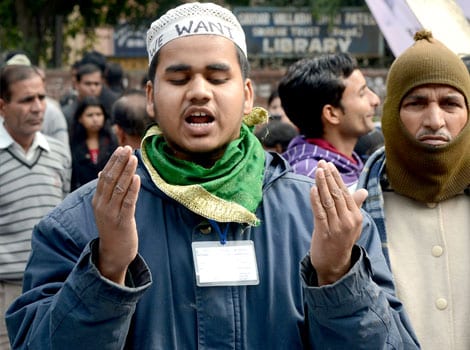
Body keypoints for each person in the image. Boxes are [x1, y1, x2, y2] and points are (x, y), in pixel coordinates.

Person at [5, 3, 419, 349]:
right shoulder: (85, 220)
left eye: (218, 78)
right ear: (151, 96)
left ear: (247, 95)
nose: (199, 91)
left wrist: (337, 277)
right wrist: (107, 268)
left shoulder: (324, 218)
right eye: (179, 78)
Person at [357, 30, 470, 350]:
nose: (434, 120)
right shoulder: (353, 214)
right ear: (392, 114)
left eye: (450, 103)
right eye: (417, 103)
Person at [0, 64, 71, 348]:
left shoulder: (59, 153)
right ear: (2, 106)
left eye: (41, 98)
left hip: (53, 288)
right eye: (27, 100)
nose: (38, 107)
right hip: (6, 291)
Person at [278, 53, 380, 190]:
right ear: (332, 113)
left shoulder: (352, 165)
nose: (375, 100)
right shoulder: (310, 178)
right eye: (362, 94)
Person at [69, 96, 118, 191]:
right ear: (80, 118)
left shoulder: (113, 141)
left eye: (99, 114)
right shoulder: (73, 143)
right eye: (90, 115)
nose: (95, 119)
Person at [62, 63, 104, 130]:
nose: (93, 88)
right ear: (77, 85)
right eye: (88, 84)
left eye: (96, 84)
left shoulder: (106, 111)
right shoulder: (66, 115)